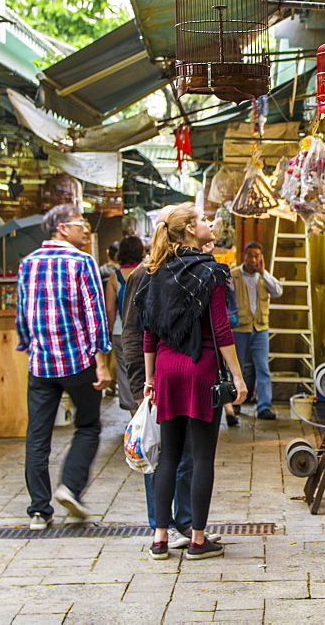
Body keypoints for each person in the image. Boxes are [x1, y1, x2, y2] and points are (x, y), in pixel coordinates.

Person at [135, 202, 246, 560]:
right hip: (201, 371)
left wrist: (150, 379)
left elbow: (149, 334)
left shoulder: (157, 272)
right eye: (202, 220)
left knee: (168, 457)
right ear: (189, 231)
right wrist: (238, 377)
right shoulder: (209, 272)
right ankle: (198, 539)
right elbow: (220, 328)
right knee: (201, 458)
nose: (209, 222)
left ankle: (160, 538)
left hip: (167, 372)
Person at [16, 204, 113, 531]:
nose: (86, 229)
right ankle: (70, 487)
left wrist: (29, 347)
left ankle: (39, 511)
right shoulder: (82, 262)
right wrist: (101, 362)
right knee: (88, 426)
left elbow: (22, 316)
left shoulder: (27, 264)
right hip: (78, 362)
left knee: (37, 436)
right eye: (80, 224)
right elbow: (95, 316)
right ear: (61, 228)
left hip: (41, 364)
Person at [230, 241, 283, 420]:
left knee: (263, 368)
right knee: (237, 368)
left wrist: (263, 272)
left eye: (257, 256)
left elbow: (277, 291)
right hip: (239, 328)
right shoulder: (233, 276)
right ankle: (235, 404)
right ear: (244, 256)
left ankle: (264, 407)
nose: (253, 259)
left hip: (260, 328)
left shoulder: (263, 277)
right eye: (250, 255)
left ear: (261, 258)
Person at [105, 235, 144, 412]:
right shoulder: (148, 271)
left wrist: (111, 329)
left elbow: (109, 308)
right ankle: (150, 410)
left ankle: (134, 412)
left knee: (125, 371)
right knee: (149, 369)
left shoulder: (115, 277)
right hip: (147, 331)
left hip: (122, 331)